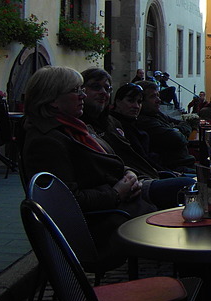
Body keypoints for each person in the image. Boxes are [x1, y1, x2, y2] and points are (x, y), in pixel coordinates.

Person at [21, 66, 156, 255]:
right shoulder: (47, 140)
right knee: (185, 199)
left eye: (82, 90)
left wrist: (129, 174)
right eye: (76, 90)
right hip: (102, 223)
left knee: (188, 196)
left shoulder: (75, 128)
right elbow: (68, 201)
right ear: (52, 101)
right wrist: (117, 192)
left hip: (125, 201)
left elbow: (111, 162)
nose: (82, 95)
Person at [80, 69, 195, 208]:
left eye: (107, 88)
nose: (103, 92)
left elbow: (131, 158)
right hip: (129, 186)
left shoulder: (111, 123)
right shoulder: (84, 128)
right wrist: (121, 187)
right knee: (190, 186)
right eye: (96, 87)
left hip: (143, 176)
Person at [136, 80, 197, 173]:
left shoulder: (157, 114)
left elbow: (179, 122)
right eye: (153, 96)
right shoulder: (144, 121)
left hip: (186, 163)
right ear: (141, 101)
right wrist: (180, 128)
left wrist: (177, 128)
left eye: (158, 95)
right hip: (176, 168)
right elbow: (178, 138)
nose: (159, 100)